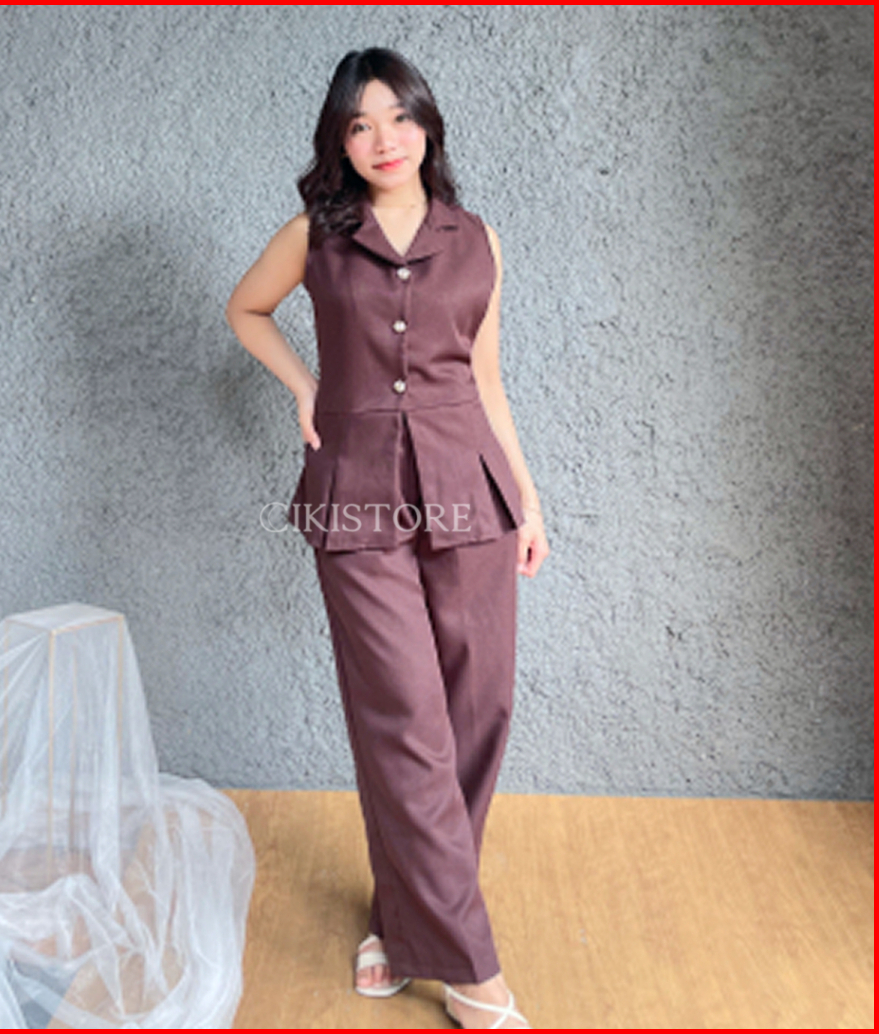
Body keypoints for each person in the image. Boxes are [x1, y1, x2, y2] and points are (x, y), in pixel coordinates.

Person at [226, 48, 549, 1029]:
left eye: (398, 118)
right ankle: (472, 971)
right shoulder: (314, 237)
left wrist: (529, 501)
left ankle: (400, 919)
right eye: (359, 125)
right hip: (356, 498)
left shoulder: (478, 240)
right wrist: (304, 385)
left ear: (426, 125)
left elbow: (487, 382)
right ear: (339, 141)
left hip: (473, 492)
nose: (383, 140)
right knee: (403, 719)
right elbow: (245, 309)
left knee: (475, 715)